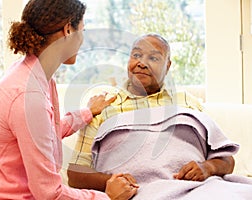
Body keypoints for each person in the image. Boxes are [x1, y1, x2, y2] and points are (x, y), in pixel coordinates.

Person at [0, 0, 138, 199]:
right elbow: (49, 194)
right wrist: (108, 196)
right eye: (83, 31)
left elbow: (45, 133)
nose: (83, 40)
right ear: (68, 30)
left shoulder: (37, 74)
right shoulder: (27, 95)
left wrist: (87, 113)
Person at [67, 33, 237, 192]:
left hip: (195, 190)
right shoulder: (104, 105)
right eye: (136, 55)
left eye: (153, 58)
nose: (141, 63)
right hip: (136, 193)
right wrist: (111, 181)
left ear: (168, 66)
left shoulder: (187, 102)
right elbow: (75, 175)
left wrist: (207, 168)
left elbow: (227, 160)